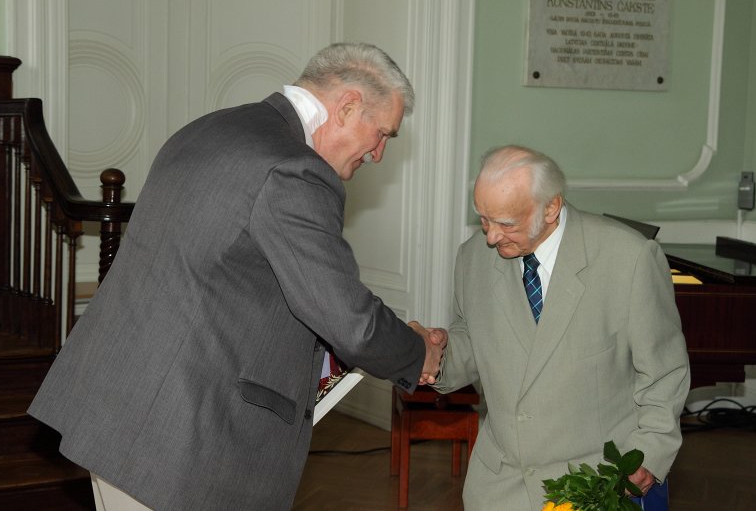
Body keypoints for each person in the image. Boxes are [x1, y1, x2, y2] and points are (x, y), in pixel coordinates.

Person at [28, 42, 445, 511]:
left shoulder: (211, 127)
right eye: (382, 133)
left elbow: (230, 278)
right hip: (178, 438)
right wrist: (419, 353)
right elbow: (351, 320)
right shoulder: (295, 169)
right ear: (347, 106)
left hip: (117, 407)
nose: (379, 154)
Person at [429, 145, 690, 511]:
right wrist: (434, 355)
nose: (490, 236)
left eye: (506, 223)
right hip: (501, 486)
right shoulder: (472, 257)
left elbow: (664, 372)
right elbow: (473, 344)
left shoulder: (628, 258)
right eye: (483, 219)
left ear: (550, 207)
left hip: (594, 483)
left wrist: (649, 452)